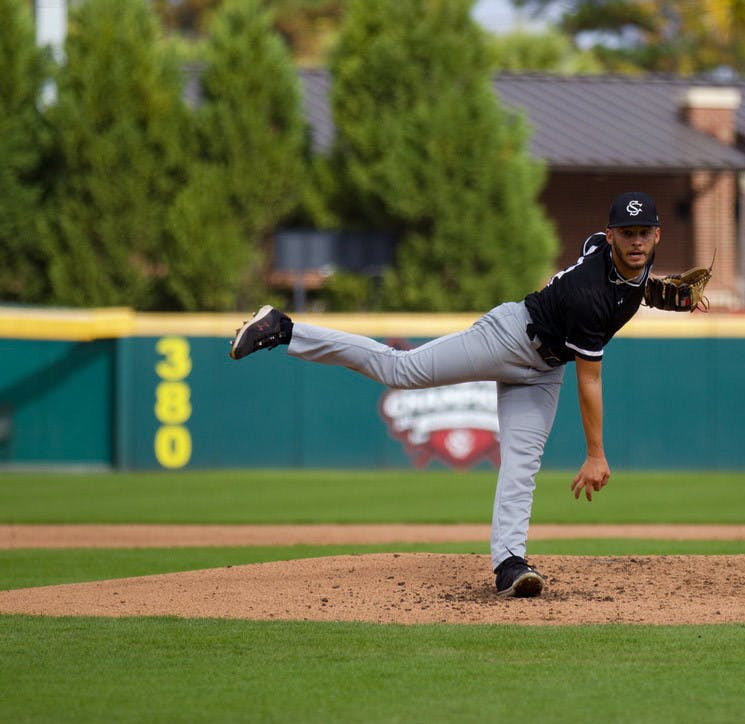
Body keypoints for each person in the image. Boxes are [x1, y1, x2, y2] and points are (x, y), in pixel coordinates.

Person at [229, 191, 662, 597]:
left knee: (522, 462)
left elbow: (627, 277)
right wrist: (595, 453)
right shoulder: (592, 293)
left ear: (657, 234)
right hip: (511, 335)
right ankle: (284, 329)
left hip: (544, 369)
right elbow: (590, 380)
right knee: (401, 368)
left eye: (644, 233)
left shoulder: (618, 258)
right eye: (627, 233)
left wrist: (655, 291)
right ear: (611, 237)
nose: (637, 241)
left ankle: (510, 563)